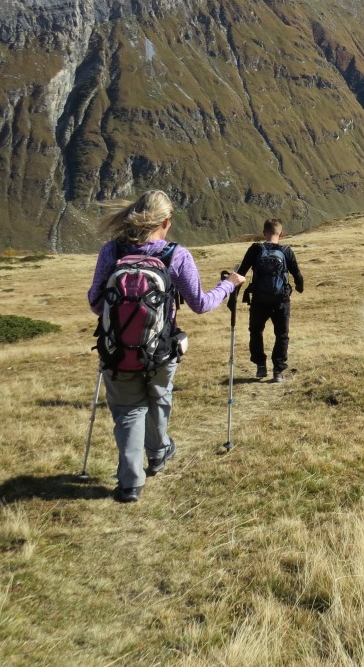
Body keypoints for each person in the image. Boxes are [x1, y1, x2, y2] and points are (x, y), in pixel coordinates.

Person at [88, 190, 245, 504]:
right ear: (166, 222)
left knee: (128, 412)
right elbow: (200, 304)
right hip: (160, 348)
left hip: (116, 350)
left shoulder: (112, 250)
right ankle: (158, 453)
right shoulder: (176, 255)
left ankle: (130, 483)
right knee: (159, 398)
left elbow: (95, 303)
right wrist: (229, 284)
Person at [236, 218, 304, 382]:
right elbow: (297, 274)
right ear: (281, 233)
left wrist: (233, 297)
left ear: (264, 233)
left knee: (256, 332)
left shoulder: (255, 250)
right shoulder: (286, 251)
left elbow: (241, 273)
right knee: (282, 334)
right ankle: (278, 371)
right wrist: (299, 287)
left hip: (259, 299)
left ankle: (260, 365)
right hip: (281, 299)